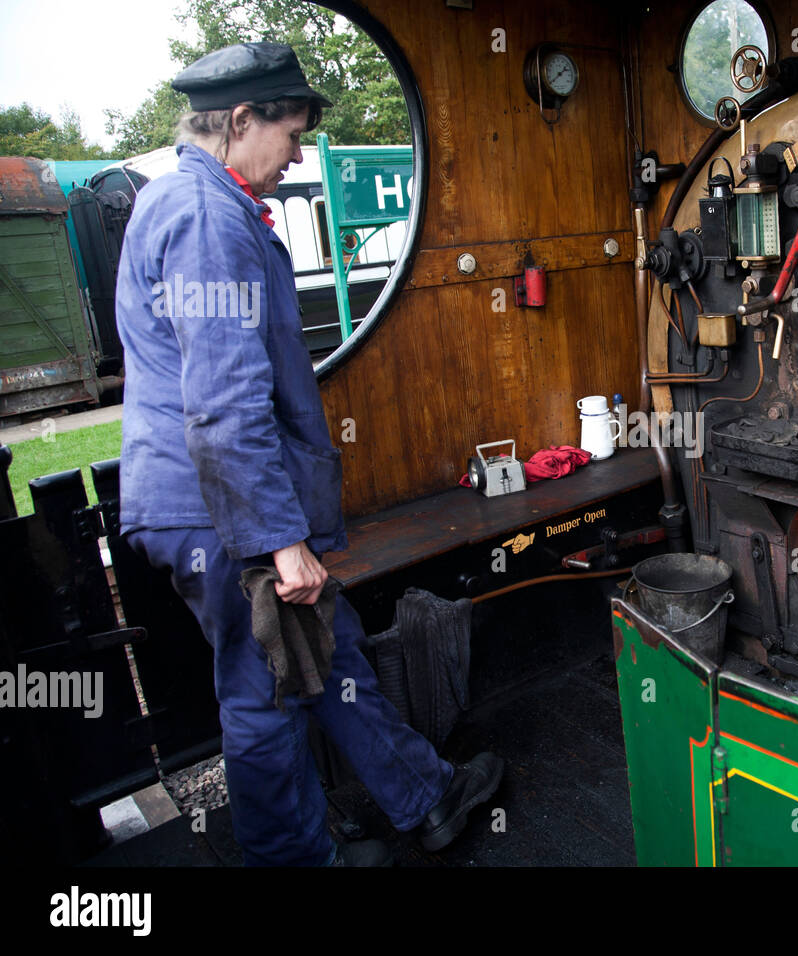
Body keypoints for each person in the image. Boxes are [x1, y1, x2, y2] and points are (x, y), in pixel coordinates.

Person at [114, 41, 503, 866]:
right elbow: (221, 403)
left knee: (326, 657)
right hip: (220, 513)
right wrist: (277, 541)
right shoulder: (207, 219)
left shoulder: (183, 200)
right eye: (291, 136)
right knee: (265, 696)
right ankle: (296, 858)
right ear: (241, 119)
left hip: (214, 504)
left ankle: (424, 796)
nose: (297, 159)